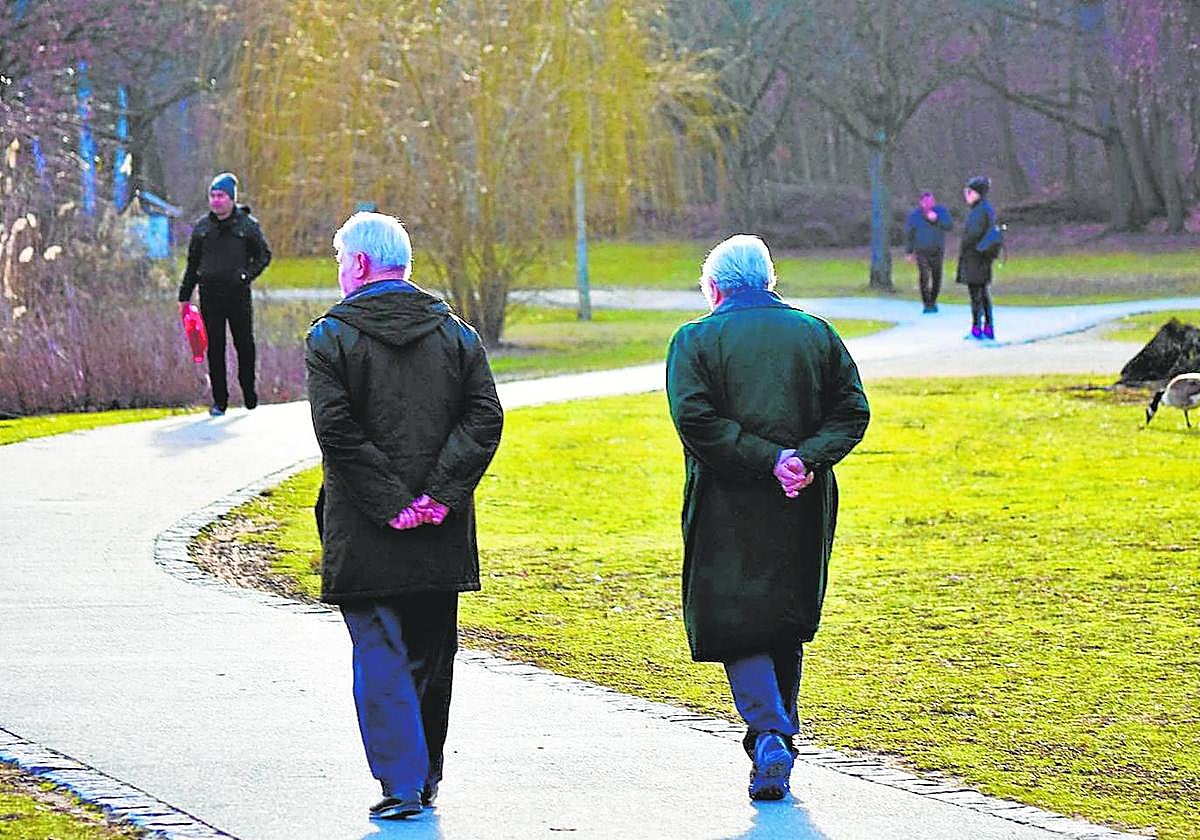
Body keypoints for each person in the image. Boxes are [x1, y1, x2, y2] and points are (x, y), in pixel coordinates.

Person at [305, 212, 503, 821]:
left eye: (342, 260)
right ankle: (424, 776)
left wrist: (393, 503)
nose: (340, 272)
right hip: (440, 532)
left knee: (379, 652)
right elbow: (484, 417)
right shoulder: (458, 336)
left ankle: (401, 781)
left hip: (363, 528)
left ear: (360, 264)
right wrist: (438, 497)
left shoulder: (329, 338)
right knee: (430, 651)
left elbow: (336, 431)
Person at [665, 235, 870, 802]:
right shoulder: (816, 334)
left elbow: (696, 420)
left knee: (736, 617)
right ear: (769, 280)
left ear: (714, 287)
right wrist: (803, 458)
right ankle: (779, 735)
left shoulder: (695, 341)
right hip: (801, 497)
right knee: (784, 614)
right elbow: (852, 411)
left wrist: (767, 458)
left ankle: (770, 733)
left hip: (727, 501)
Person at [177, 172, 272, 416]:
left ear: (231, 199)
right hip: (210, 295)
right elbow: (192, 265)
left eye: (221, 196)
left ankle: (249, 394)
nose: (216, 200)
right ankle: (220, 400)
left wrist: (246, 275)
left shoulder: (247, 226)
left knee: (244, 344)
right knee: (215, 347)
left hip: (238, 295)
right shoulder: (202, 228)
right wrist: (184, 297)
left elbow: (263, 255)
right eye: (213, 196)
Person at [956, 175, 998, 340]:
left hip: (975, 257)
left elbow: (972, 235)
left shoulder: (979, 211)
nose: (967, 195)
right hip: (981, 257)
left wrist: (966, 245)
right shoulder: (985, 209)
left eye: (969, 192)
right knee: (982, 293)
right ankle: (987, 327)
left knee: (976, 294)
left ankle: (977, 328)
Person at [903, 190, 953, 313]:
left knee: (937, 276)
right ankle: (927, 303)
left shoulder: (941, 212)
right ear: (921, 203)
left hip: (937, 250)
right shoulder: (915, 215)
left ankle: (933, 300)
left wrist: (937, 219)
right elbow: (910, 234)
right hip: (921, 251)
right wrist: (909, 252)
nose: (928, 204)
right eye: (926, 202)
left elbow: (949, 226)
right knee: (924, 276)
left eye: (931, 201)